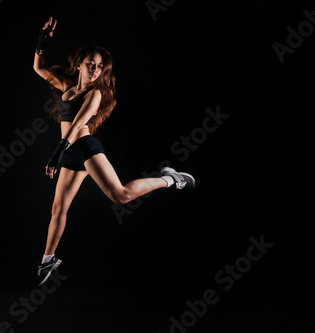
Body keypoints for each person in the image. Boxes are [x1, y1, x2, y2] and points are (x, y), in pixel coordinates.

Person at [33, 17, 195, 286]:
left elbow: (77, 124)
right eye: (91, 65)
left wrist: (57, 153)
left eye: (100, 67)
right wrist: (42, 42)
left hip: (84, 147)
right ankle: (48, 259)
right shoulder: (68, 86)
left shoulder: (95, 94)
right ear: (80, 64)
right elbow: (39, 68)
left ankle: (170, 178)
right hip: (69, 153)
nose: (96, 70)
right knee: (58, 208)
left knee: (121, 195)